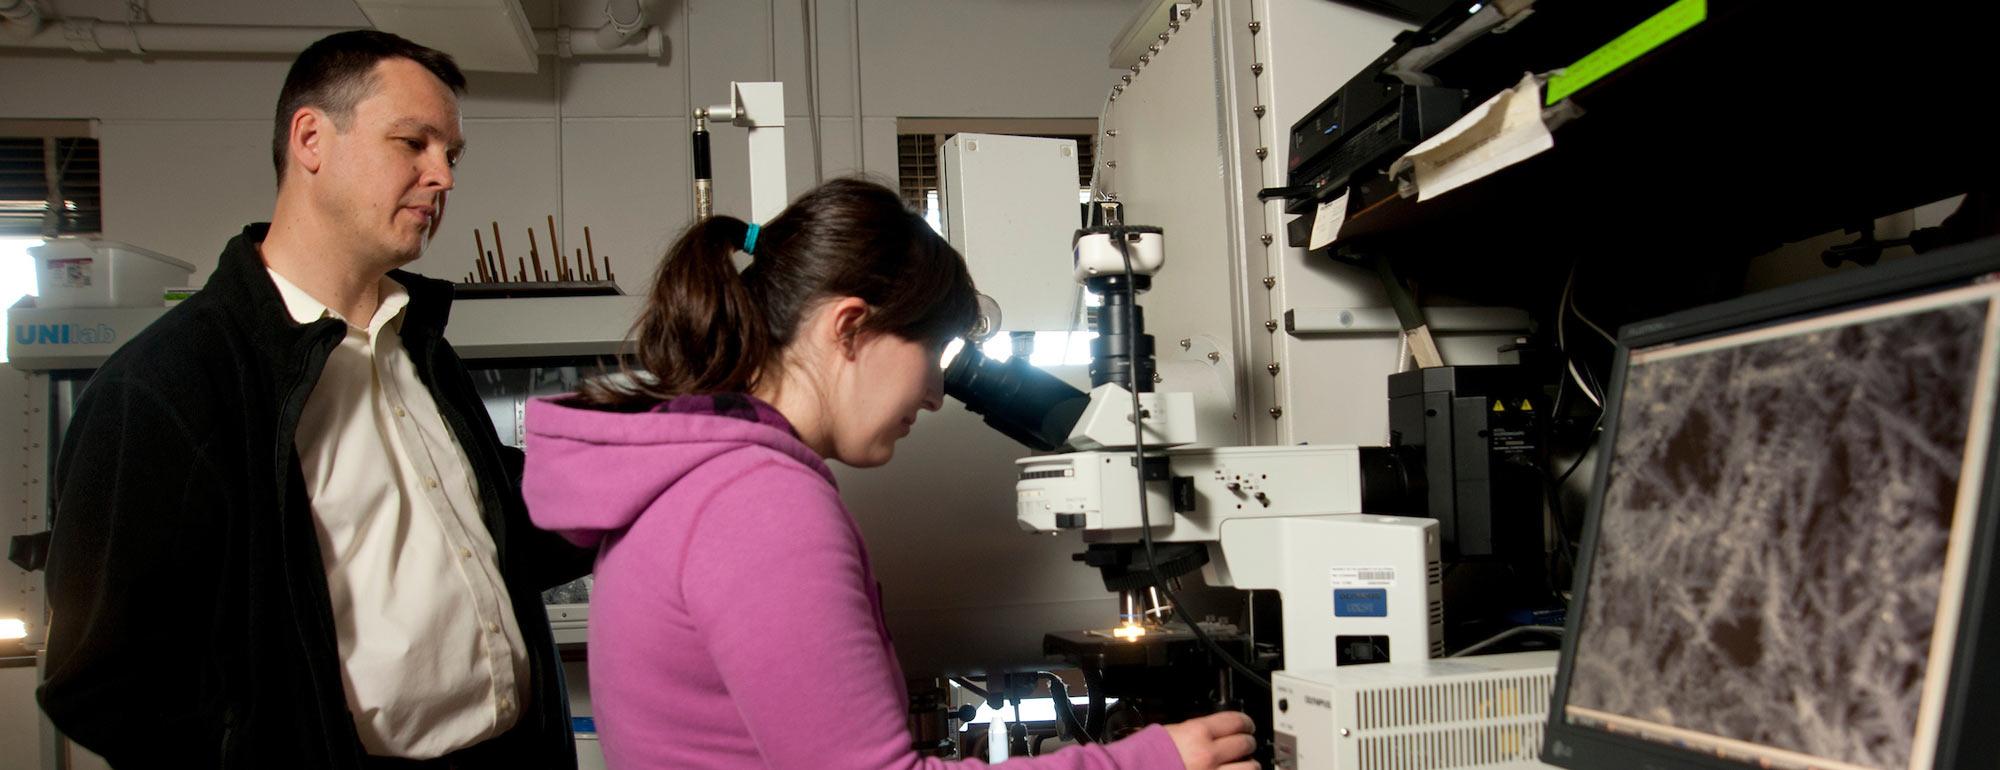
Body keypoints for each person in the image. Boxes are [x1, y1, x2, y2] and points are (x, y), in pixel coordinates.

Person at [523, 177, 1258, 769]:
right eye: (930, 355)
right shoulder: (759, 503)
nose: (936, 396)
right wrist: (1149, 760)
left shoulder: (698, 477)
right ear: (848, 327)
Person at [37, 30, 593, 768]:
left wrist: (656, 464)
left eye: (450, 155)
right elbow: (104, 681)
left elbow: (495, 533)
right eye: (413, 143)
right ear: (310, 138)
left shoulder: (414, 344)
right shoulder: (167, 384)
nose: (443, 177)